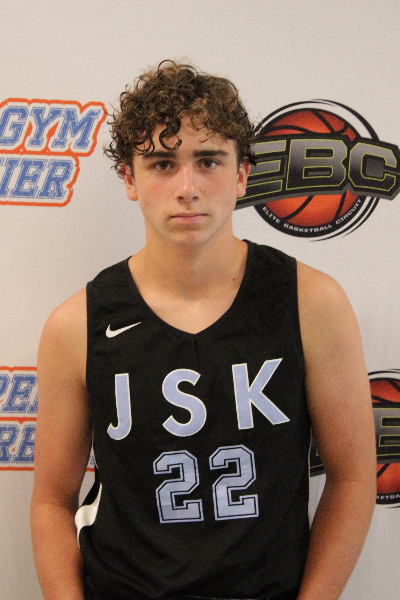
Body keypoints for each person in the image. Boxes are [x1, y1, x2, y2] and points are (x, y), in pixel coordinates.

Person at [31, 61, 376, 600]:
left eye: (208, 160)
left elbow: (353, 477)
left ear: (242, 175)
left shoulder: (311, 303)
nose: (187, 188)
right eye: (162, 163)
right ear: (130, 178)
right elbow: (52, 501)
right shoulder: (75, 325)